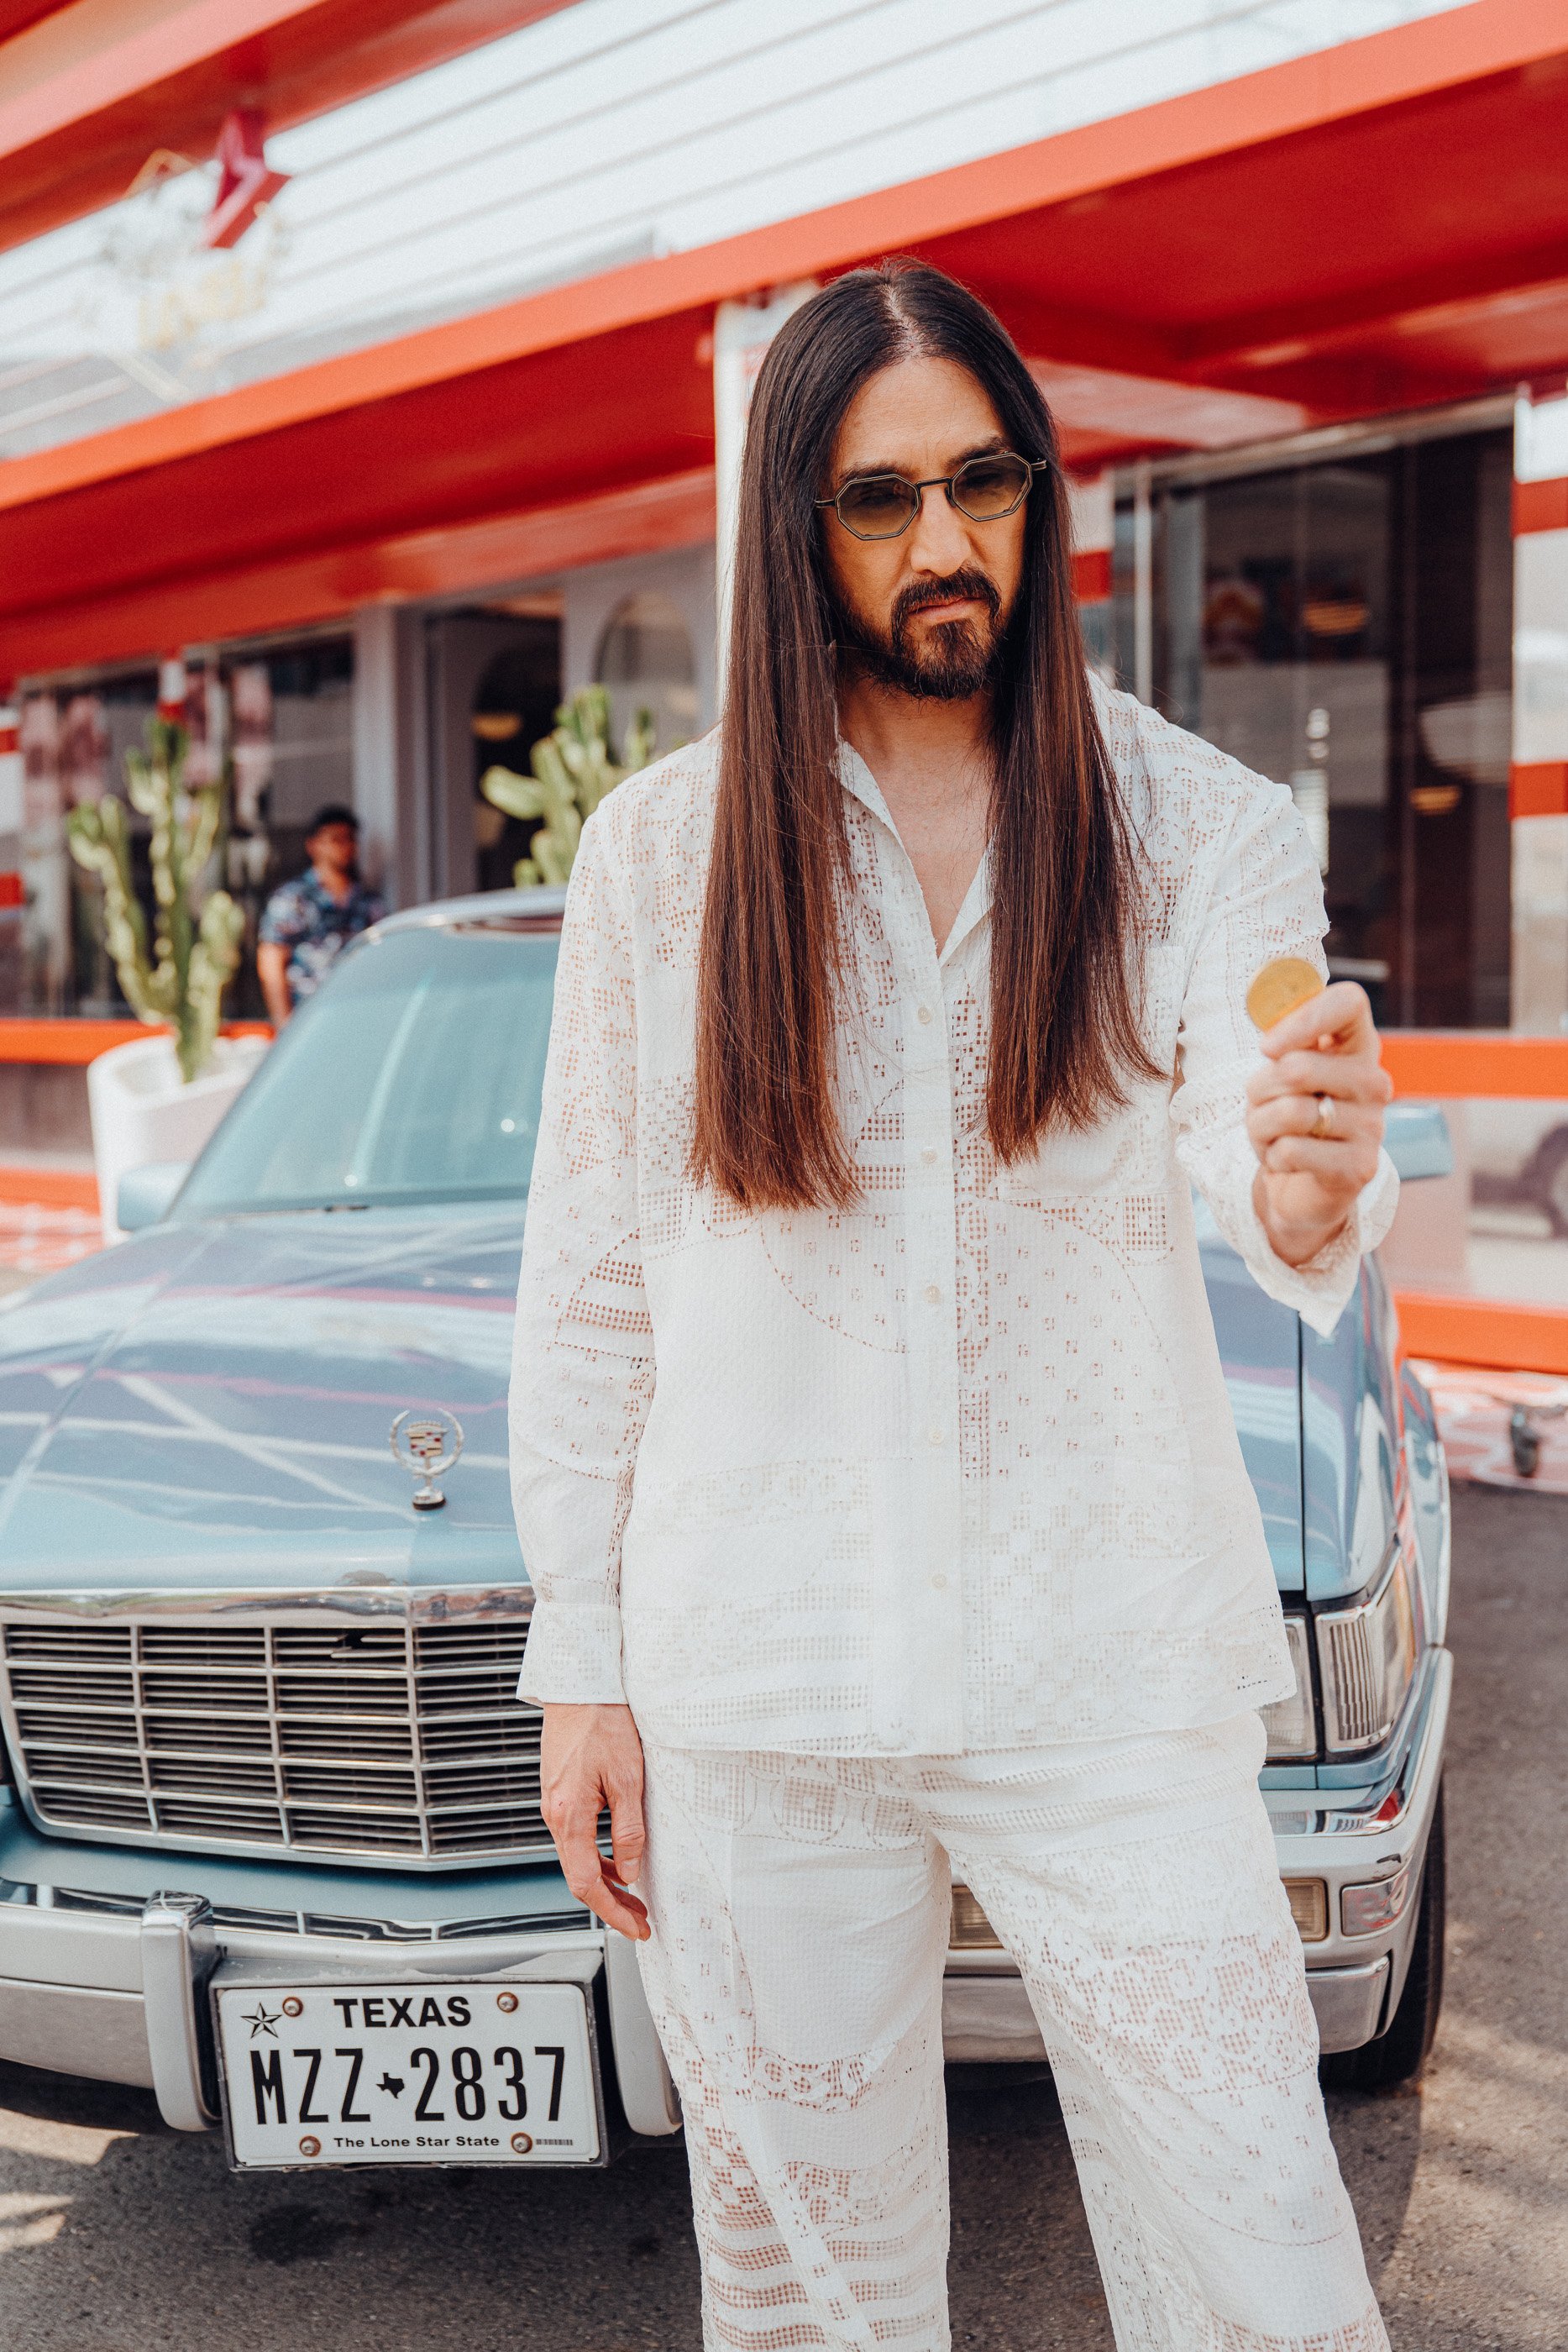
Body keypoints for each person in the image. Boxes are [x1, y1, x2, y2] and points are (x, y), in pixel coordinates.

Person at [510, 261, 1397, 2352]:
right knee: (808, 2306)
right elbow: (591, 1285)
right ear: (793, 529)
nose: (939, 545)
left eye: (980, 484)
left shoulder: (1195, 828)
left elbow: (1260, 1130)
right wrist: (584, 1664)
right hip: (752, 1684)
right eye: (877, 498)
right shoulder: (659, 862)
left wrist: (1300, 1162)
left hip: (1106, 1672)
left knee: (1257, 2261)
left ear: (1039, 494)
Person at [255, 803, 384, 1023]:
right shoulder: (294, 898)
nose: (345, 847)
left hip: (360, 1013)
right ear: (314, 845)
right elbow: (272, 959)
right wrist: (284, 1022)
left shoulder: (368, 901)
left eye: (350, 839)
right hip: (310, 1016)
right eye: (335, 839)